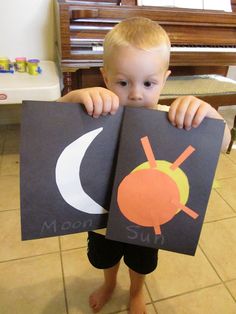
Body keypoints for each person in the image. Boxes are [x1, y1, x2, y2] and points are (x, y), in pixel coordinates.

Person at [58, 17, 231, 314]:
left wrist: (209, 116)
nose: (136, 94)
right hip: (102, 219)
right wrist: (75, 98)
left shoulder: (171, 119)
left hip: (148, 217)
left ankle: (136, 291)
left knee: (141, 261)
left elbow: (224, 142)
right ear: (106, 76)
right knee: (105, 258)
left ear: (165, 80)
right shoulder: (96, 113)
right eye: (123, 82)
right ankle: (109, 282)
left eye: (149, 83)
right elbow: (51, 123)